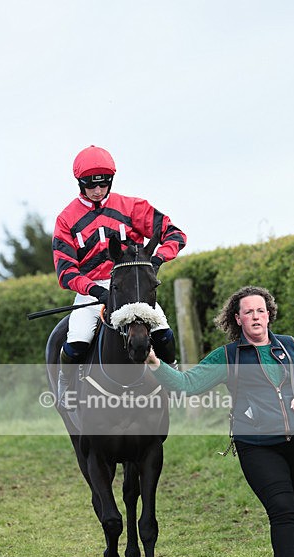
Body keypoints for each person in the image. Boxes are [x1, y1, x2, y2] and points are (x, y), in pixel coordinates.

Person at [146, 286, 294, 557]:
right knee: (283, 509)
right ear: (237, 319)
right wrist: (154, 362)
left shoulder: (292, 347)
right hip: (257, 447)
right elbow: (187, 385)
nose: (256, 317)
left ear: (269, 315)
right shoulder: (228, 357)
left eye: (260, 311)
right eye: (248, 312)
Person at [52, 145, 186, 405]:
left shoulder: (133, 207)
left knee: (164, 334)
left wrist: (156, 259)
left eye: (103, 184)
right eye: (91, 185)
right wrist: (95, 291)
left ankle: (174, 380)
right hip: (92, 290)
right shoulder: (66, 220)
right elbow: (65, 271)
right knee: (77, 341)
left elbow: (175, 234)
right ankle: (65, 387)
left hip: (132, 287)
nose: (98, 191)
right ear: (80, 183)